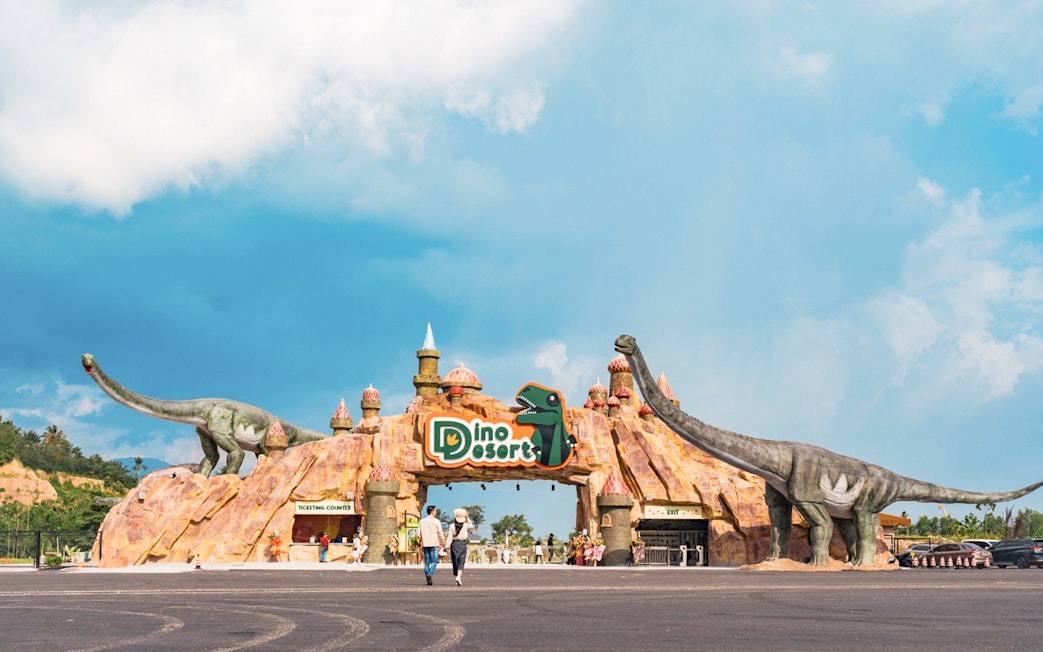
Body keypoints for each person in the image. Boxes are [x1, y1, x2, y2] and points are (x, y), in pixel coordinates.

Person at [419, 505, 445, 585]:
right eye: (435, 511)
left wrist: (420, 540)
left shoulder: (422, 521)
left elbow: (417, 534)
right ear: (432, 511)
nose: (436, 512)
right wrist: (443, 542)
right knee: (434, 561)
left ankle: (428, 577)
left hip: (425, 544)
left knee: (426, 562)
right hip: (434, 544)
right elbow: (440, 533)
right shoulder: (436, 521)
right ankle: (430, 574)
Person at [448, 508, 474, 586]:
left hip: (454, 544)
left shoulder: (451, 526)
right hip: (462, 544)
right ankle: (458, 577)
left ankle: (457, 575)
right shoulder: (465, 525)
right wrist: (467, 518)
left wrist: (446, 546)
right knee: (461, 561)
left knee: (455, 561)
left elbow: (449, 537)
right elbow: (471, 526)